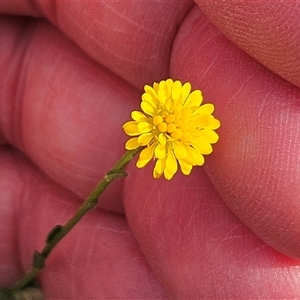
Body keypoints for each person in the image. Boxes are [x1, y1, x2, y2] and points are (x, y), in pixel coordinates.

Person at [1, 1, 300, 298]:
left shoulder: (178, 136)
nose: (168, 125)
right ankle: (23, 281)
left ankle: (25, 280)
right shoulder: (154, 121)